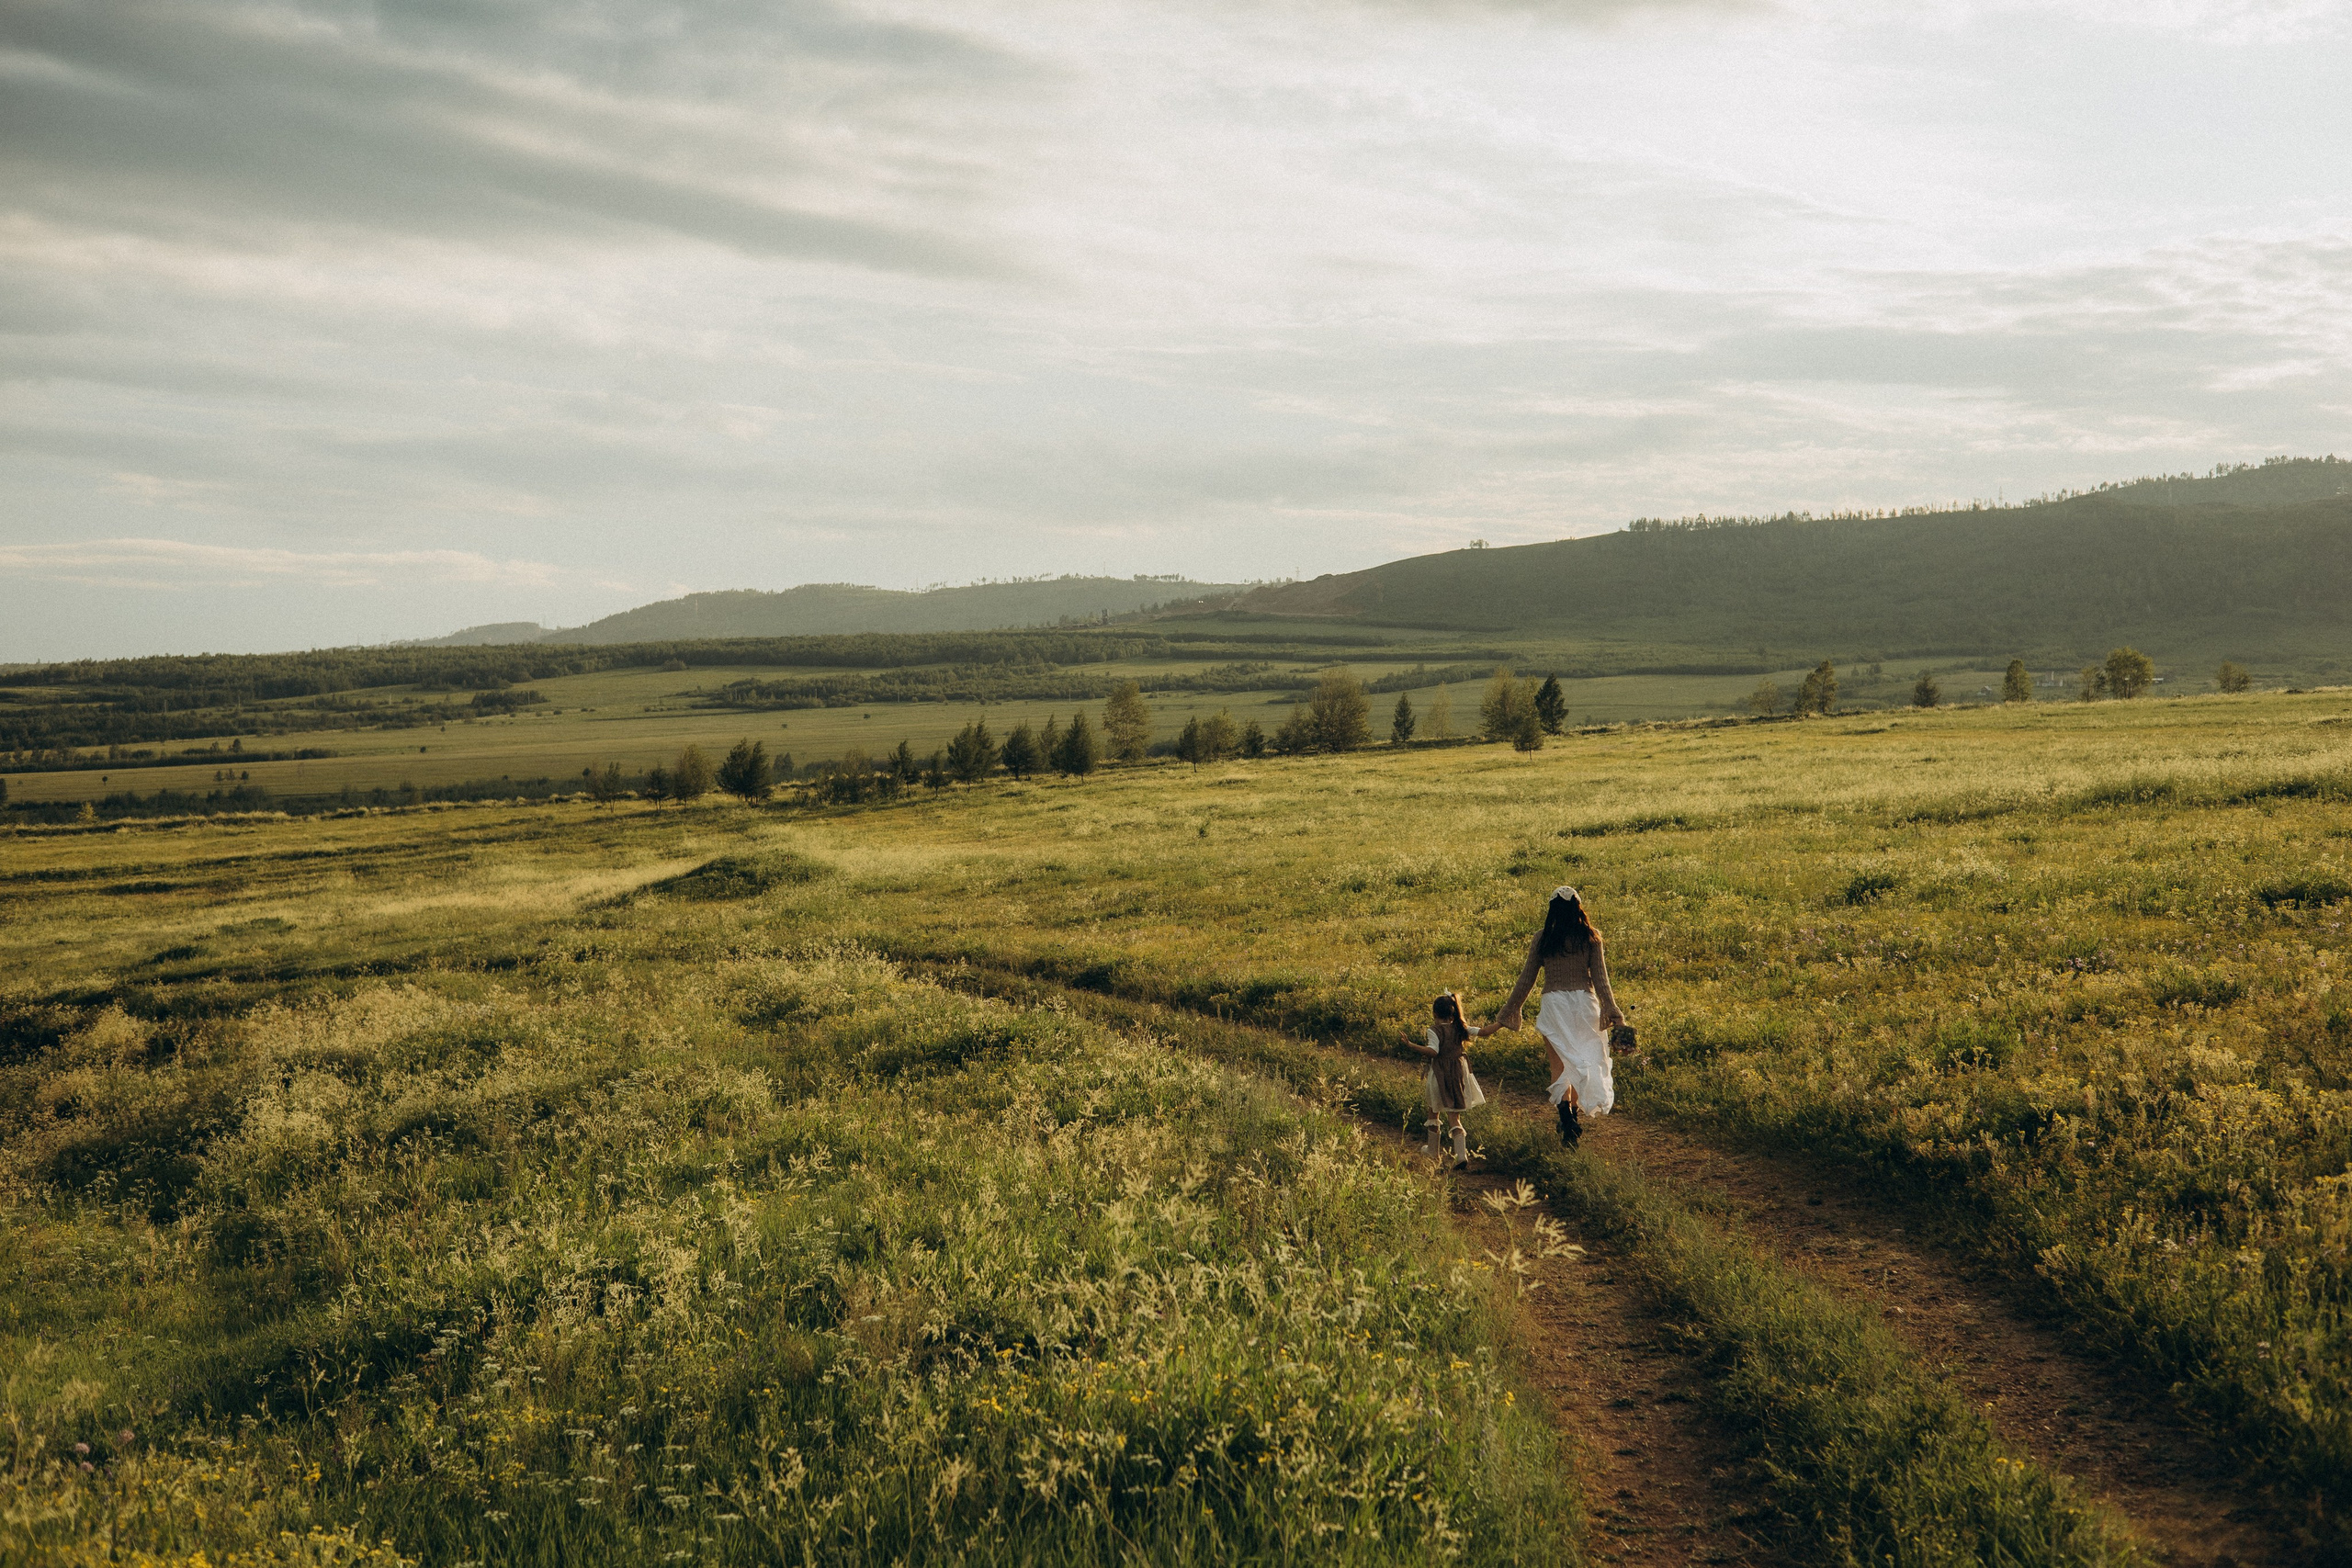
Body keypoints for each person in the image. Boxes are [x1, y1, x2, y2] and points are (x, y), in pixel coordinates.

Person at [1494, 886, 1623, 1146]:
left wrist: (1509, 1010)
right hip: (1585, 1005)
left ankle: (1566, 1119)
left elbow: (1526, 979)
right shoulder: (1591, 937)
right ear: (1578, 908)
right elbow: (1601, 979)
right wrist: (1612, 1010)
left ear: (1552, 910)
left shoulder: (1543, 938)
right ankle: (1572, 1116)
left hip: (1554, 1005)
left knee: (1560, 1066)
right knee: (1580, 1063)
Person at [1402, 992, 1491, 1169]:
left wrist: (1411, 1045)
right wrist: (1503, 1022)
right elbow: (1484, 1032)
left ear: (1434, 1014)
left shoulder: (1433, 1031)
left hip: (1439, 1076)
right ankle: (1461, 1155)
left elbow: (1433, 1052)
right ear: (1453, 1013)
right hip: (1458, 1075)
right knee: (1454, 1115)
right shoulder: (1461, 1028)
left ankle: (1433, 1151)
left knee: (1433, 1111)